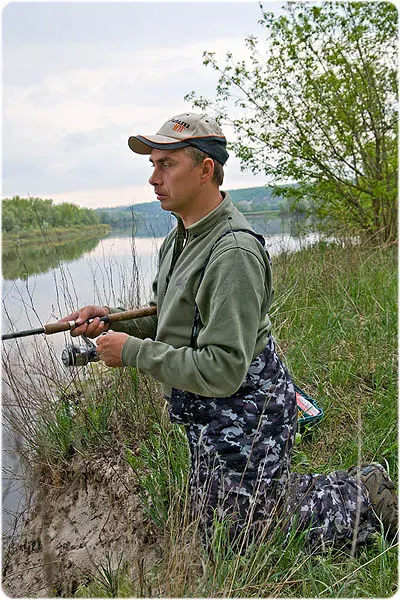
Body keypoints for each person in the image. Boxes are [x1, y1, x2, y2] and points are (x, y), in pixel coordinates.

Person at [60, 112, 398, 550]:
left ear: (205, 170)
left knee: (245, 540)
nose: (153, 178)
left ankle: (364, 493)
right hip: (203, 407)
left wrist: (131, 352)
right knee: (213, 525)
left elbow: (223, 369)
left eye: (166, 164)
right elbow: (171, 318)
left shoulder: (233, 252)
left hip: (244, 407)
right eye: (152, 165)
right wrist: (112, 319)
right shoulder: (181, 236)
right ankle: (275, 490)